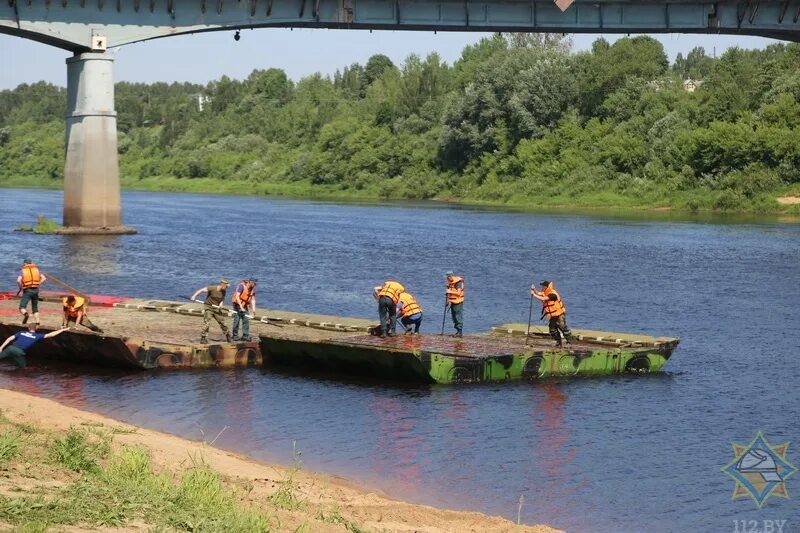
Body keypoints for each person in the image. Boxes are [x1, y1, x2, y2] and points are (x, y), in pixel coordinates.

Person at [0, 323, 69, 369]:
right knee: (24, 368)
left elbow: (9, 338)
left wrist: (1, 347)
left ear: (28, 328)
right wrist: (62, 330)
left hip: (10, 348)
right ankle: (21, 382)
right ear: (36, 328)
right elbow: (51, 334)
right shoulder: (37, 336)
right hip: (19, 352)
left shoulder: (21, 332)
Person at [530, 280, 573, 348]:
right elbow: (539, 293)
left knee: (562, 327)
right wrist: (534, 289)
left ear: (546, 287)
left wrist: (534, 295)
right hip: (553, 316)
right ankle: (558, 342)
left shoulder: (553, 295)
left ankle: (569, 341)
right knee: (552, 330)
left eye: (543, 286)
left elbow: (543, 298)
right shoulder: (545, 292)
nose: (542, 287)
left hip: (559, 315)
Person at [191, 279, 232, 344]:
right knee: (207, 323)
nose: (227, 288)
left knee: (222, 323)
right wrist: (194, 296)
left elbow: (222, 299)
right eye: (226, 286)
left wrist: (221, 305)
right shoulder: (212, 288)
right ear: (222, 285)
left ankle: (228, 335)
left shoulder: (224, 291)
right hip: (208, 307)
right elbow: (201, 290)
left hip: (216, 309)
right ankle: (203, 338)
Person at [17, 259, 47, 325]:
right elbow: (44, 278)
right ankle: (38, 322)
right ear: (31, 263)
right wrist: (38, 283)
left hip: (27, 290)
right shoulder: (36, 270)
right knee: (35, 308)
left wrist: (21, 287)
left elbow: (18, 280)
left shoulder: (22, 270)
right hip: (36, 290)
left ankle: (26, 314)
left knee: (22, 307)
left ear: (25, 264)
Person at [445, 271, 465, 337]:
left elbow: (458, 293)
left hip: (458, 302)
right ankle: (457, 331)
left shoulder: (458, 282)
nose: (447, 278)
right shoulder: (450, 282)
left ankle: (460, 332)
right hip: (452, 302)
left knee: (458, 316)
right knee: (454, 317)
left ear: (451, 276)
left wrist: (449, 291)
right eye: (447, 277)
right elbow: (449, 293)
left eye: (448, 277)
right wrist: (448, 300)